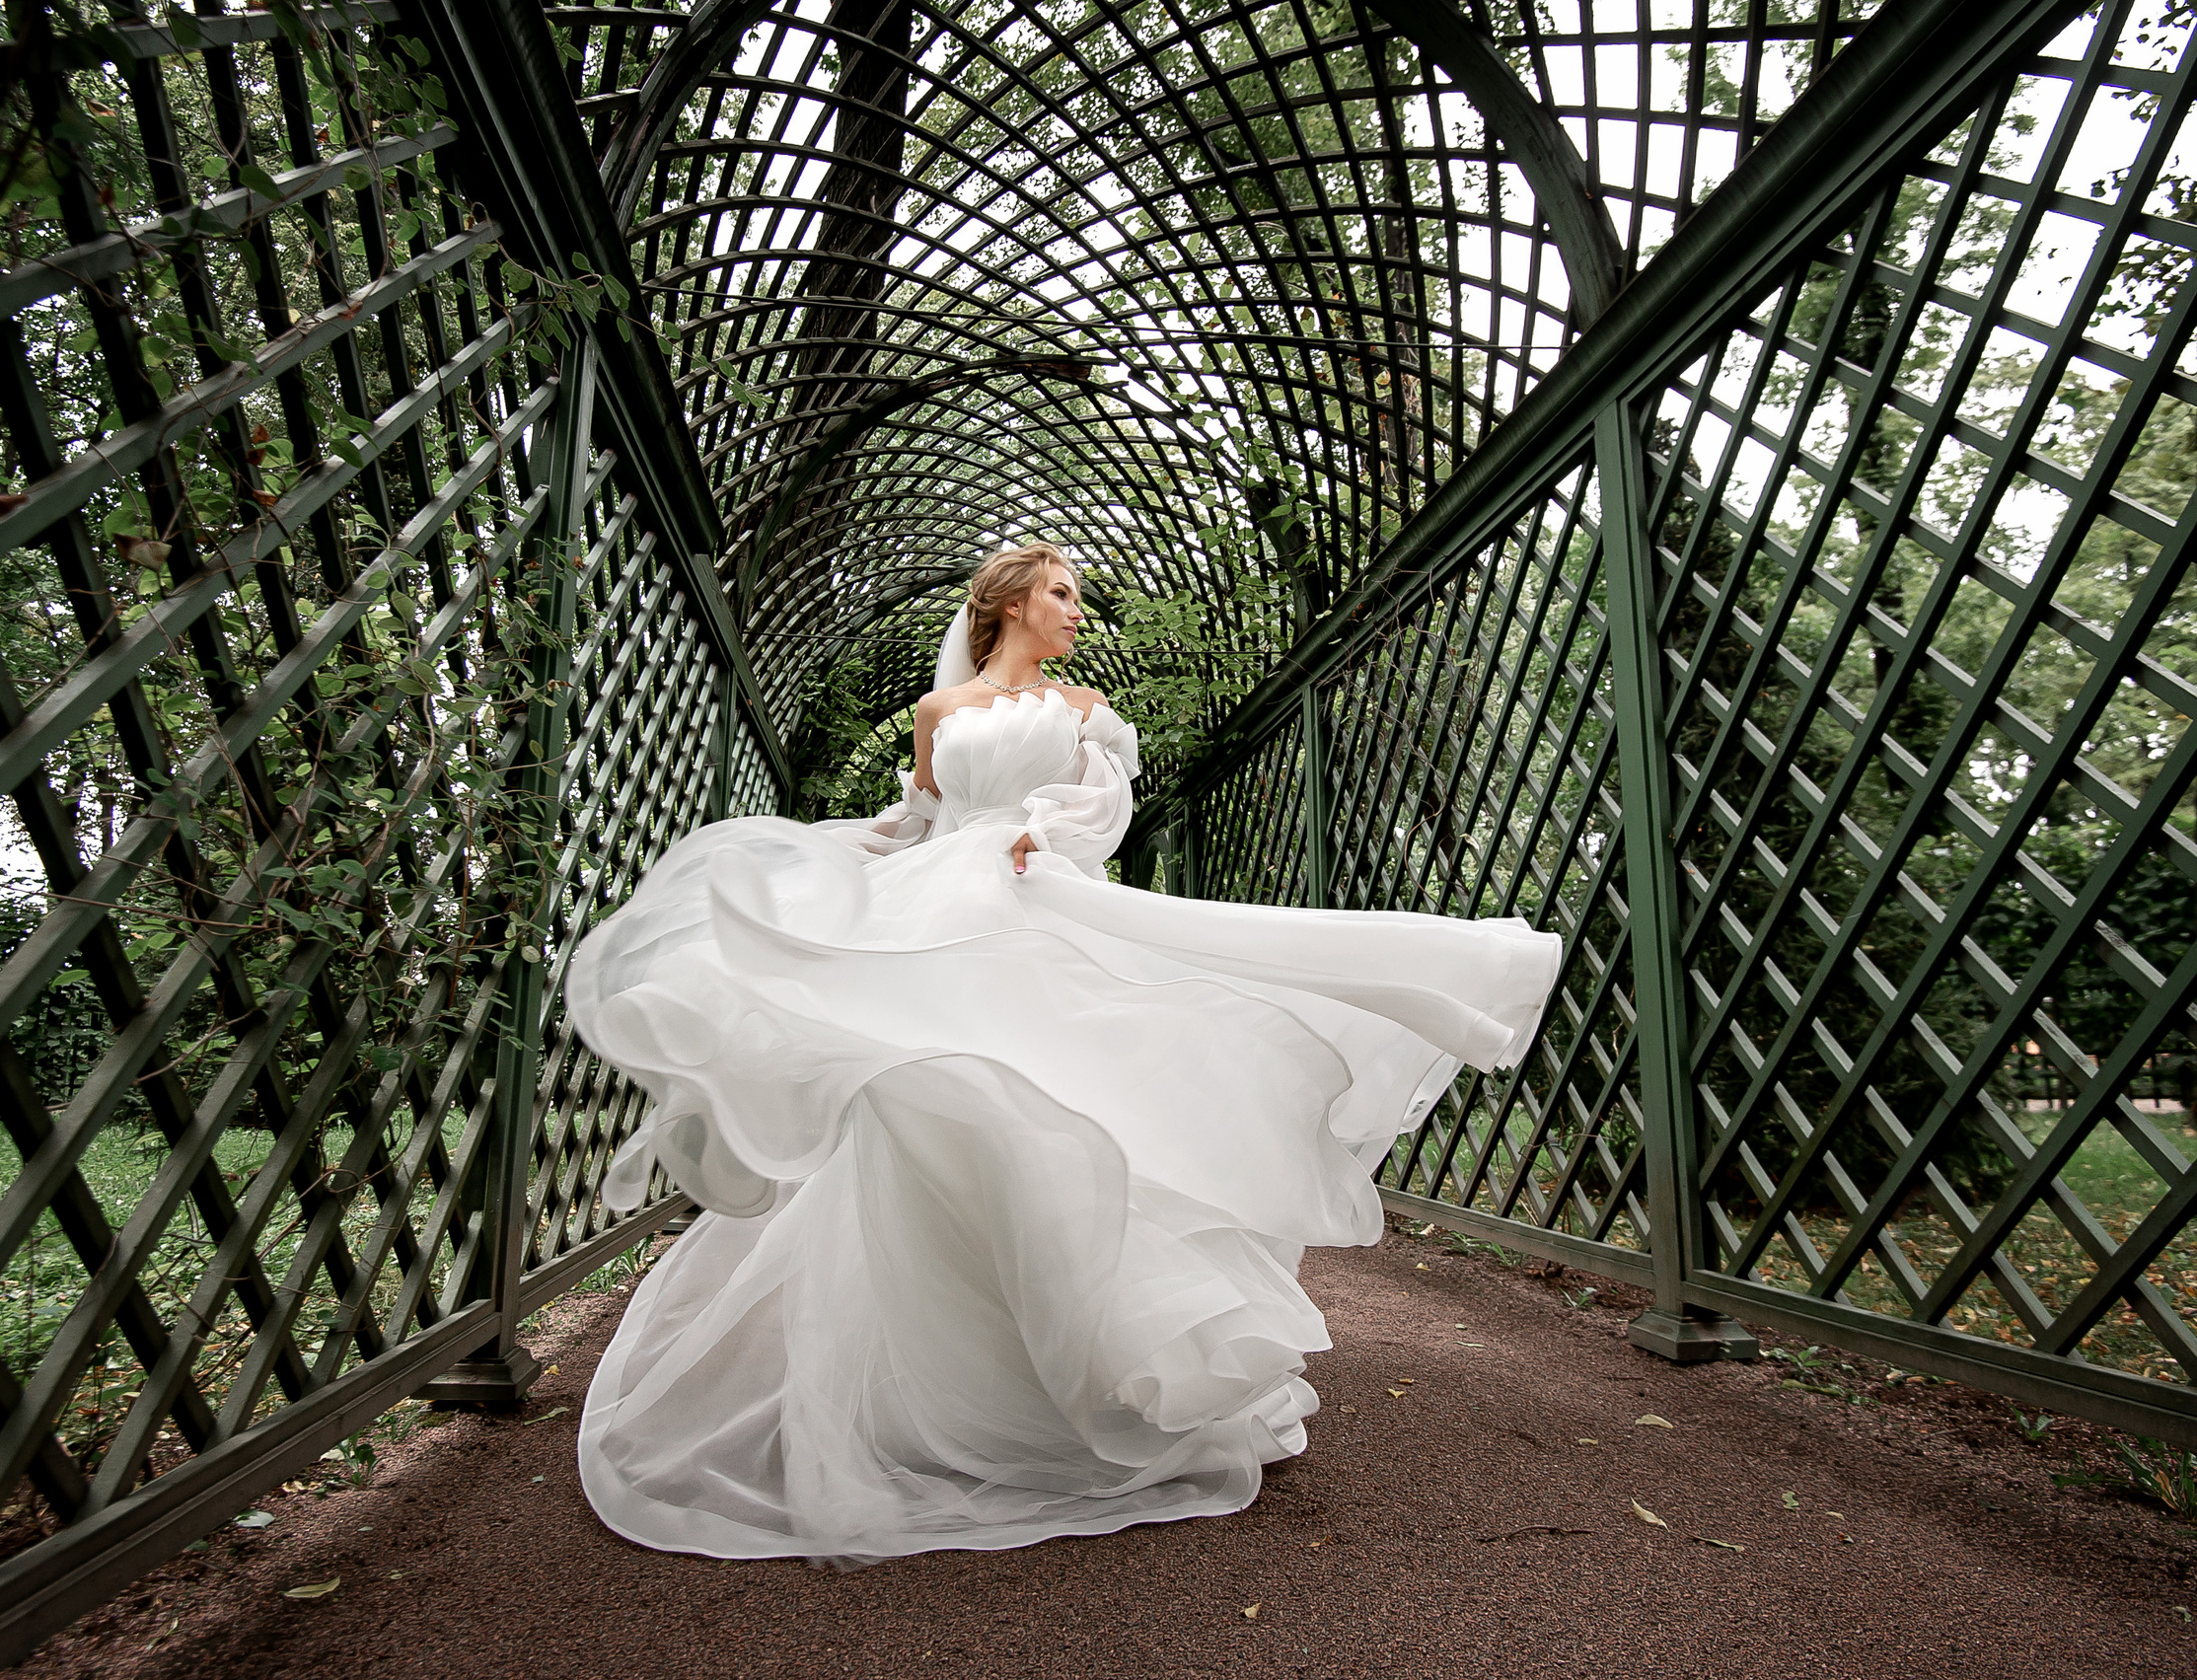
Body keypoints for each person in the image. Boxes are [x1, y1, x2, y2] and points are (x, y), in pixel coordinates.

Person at [565, 542, 1562, 1564]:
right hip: (936, 917)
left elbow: (1103, 813)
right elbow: (915, 819)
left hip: (1031, 906)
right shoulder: (936, 712)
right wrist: (816, 867)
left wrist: (1043, 825)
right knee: (935, 1127)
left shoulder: (1089, 712)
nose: (1078, 611)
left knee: (1056, 1116)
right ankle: (941, 1396)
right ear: (1006, 602)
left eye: (1076, 597)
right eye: (1063, 593)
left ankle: (1057, 1389)